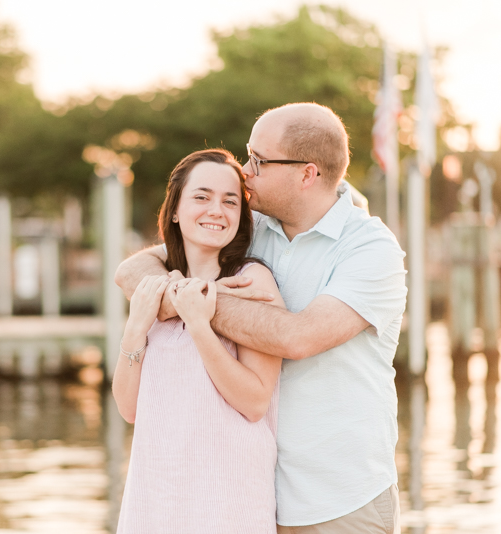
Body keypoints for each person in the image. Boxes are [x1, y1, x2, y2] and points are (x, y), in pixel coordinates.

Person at [115, 103, 408, 534]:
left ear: (307, 174)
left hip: (340, 498)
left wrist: (198, 306)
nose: (246, 172)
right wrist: (178, 297)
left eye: (259, 160)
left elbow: (297, 339)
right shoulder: (253, 226)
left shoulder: (370, 250)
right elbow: (134, 270)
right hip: (255, 492)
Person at [112, 148, 286, 533]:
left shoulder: (251, 281)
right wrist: (135, 328)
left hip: (226, 502)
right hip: (156, 497)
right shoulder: (157, 287)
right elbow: (129, 407)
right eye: (202, 197)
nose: (216, 210)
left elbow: (255, 402)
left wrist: (200, 324)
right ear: (175, 208)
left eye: (230, 201)